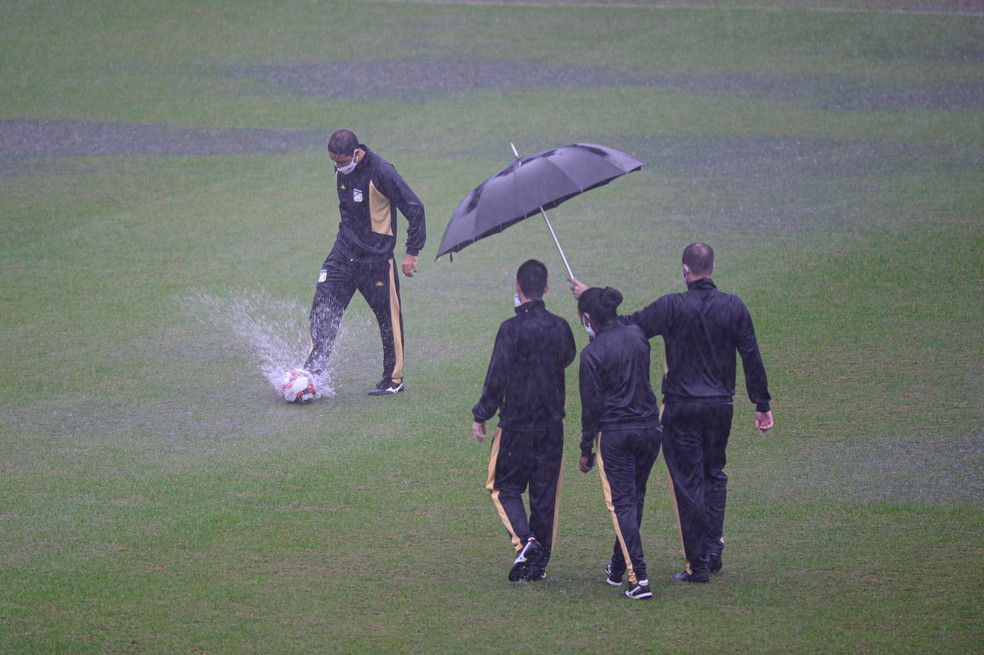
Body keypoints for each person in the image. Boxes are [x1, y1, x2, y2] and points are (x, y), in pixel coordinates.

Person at [570, 242, 774, 583]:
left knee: (688, 484)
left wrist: (589, 299)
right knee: (715, 474)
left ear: (684, 269)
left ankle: (698, 564)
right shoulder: (734, 307)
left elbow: (626, 325)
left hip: (681, 408)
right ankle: (713, 546)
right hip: (721, 406)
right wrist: (762, 404)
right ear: (713, 265)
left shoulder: (672, 306)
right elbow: (751, 355)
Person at [472, 260, 577, 582]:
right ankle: (537, 565)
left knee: (503, 487)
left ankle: (525, 542)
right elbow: (569, 356)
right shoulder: (560, 327)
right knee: (544, 497)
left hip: (516, 425)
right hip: (551, 426)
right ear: (546, 288)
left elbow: (497, 376)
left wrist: (481, 414)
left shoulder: (510, 329)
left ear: (518, 288)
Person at [304, 129, 426, 396]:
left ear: (356, 153)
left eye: (342, 161)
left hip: (377, 261)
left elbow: (415, 207)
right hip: (343, 254)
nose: (337, 167)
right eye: (333, 162)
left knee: (387, 320)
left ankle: (393, 380)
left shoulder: (382, 171)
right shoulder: (340, 170)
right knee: (323, 307)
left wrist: (412, 251)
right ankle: (312, 375)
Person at [577, 287, 663, 600]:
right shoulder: (638, 335)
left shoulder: (591, 355)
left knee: (622, 504)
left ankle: (638, 578)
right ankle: (617, 566)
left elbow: (591, 408)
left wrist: (586, 449)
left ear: (587, 318)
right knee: (634, 499)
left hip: (616, 435)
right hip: (650, 430)